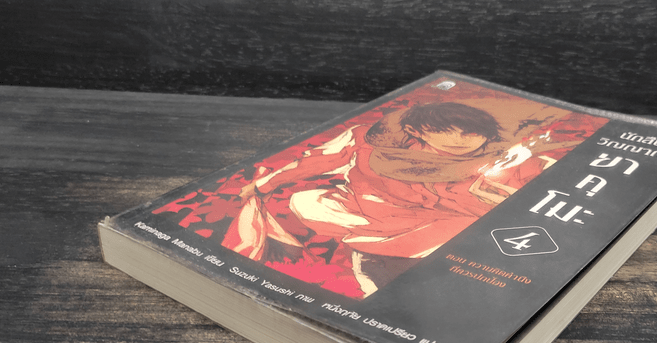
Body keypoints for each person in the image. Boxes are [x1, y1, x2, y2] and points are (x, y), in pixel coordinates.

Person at [214, 99, 596, 297]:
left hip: (443, 231)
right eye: (451, 132)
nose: (464, 140)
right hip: (366, 217)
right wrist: (266, 184)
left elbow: (536, 198)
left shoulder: (507, 157)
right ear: (416, 131)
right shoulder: (366, 140)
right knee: (309, 205)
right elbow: (317, 161)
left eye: (471, 133)